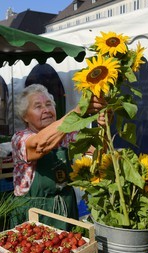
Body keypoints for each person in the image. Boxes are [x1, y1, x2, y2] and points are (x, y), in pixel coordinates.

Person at [10, 84, 106, 230]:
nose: (46, 110)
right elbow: (41, 144)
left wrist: (105, 127)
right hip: (35, 214)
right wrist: (77, 112)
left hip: (66, 209)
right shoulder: (20, 138)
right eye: (38, 106)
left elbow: (97, 152)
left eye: (49, 104)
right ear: (25, 116)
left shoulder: (66, 134)